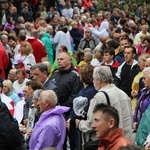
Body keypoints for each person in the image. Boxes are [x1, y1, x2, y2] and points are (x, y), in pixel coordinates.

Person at [76, 66, 133, 143]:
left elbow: (92, 123)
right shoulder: (123, 94)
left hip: (108, 142)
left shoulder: (100, 97)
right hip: (125, 142)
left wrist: (80, 124)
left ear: (98, 79)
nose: (93, 81)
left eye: (93, 78)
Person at [133, 67, 150, 132]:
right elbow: (138, 108)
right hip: (140, 127)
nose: (142, 80)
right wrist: (135, 120)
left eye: (144, 78)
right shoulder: (143, 91)